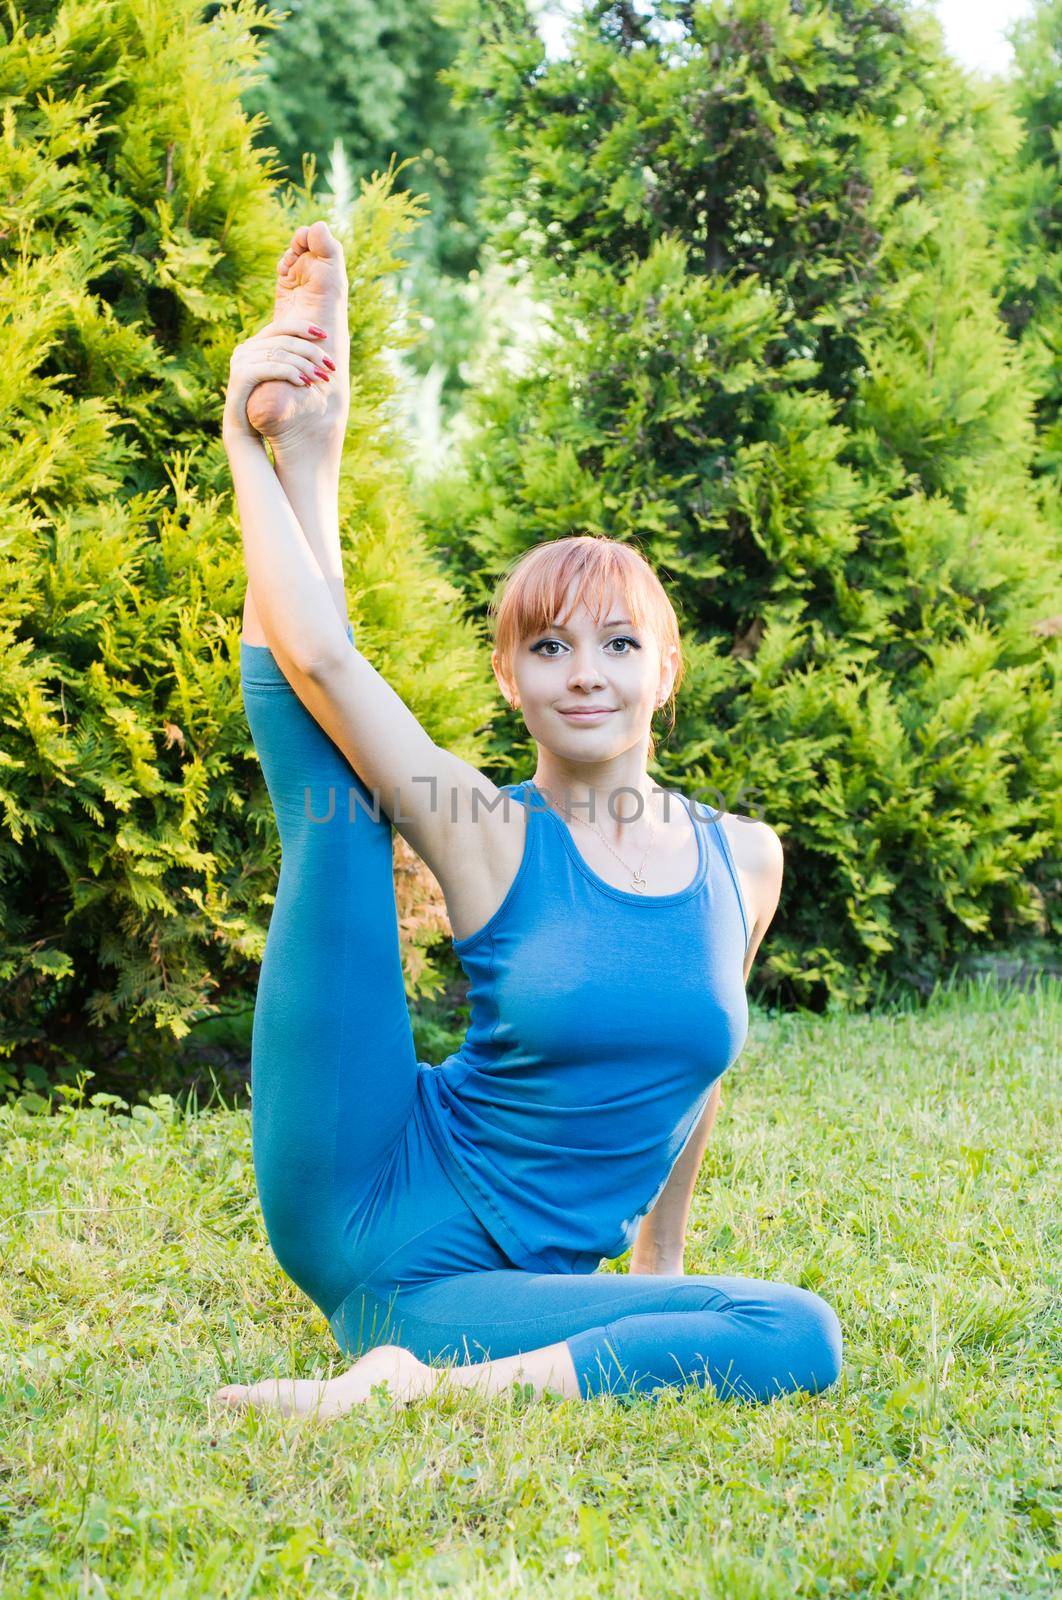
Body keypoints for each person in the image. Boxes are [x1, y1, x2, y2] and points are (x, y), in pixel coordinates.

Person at [214, 220, 842, 1418]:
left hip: (478, 1295)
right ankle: (310, 457)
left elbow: (689, 1076)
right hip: (366, 1178)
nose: (586, 672)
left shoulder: (740, 861)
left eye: (618, 643)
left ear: (667, 668)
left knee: (792, 1331)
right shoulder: (481, 826)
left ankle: (406, 1381)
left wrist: (662, 1265)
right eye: (548, 646)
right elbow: (326, 662)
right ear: (512, 679)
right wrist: (253, 446)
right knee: (335, 793)